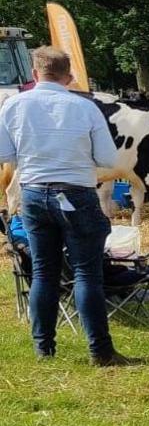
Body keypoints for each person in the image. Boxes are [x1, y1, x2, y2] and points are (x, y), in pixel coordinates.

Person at [0, 46, 131, 365]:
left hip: (33, 193)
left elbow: (6, 156)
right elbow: (107, 158)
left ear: (34, 74)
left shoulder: (12, 105)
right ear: (69, 76)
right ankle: (100, 351)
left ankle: (44, 348)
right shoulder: (84, 107)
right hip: (76, 192)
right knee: (87, 273)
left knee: (44, 272)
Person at [7, 214, 149, 315]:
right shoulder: (68, 241)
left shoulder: (34, 242)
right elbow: (98, 265)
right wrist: (121, 261)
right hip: (98, 281)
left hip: (67, 281)